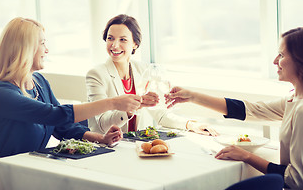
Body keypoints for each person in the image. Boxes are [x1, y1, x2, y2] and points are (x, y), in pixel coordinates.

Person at [165, 27, 303, 190]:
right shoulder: (301, 101)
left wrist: (246, 156)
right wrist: (192, 96)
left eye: (281, 55)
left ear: (301, 61)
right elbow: (249, 110)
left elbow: (296, 180)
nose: (275, 61)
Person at [0, 17, 142, 179]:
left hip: (29, 168)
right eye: (42, 43)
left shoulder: (39, 82)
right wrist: (113, 102)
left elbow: (62, 125)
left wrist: (101, 138)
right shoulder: (0, 93)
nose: (47, 50)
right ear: (24, 49)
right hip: (1, 174)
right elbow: (55, 114)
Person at [86, 14, 218, 136]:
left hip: (138, 146)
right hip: (107, 149)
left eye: (123, 40)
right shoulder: (96, 75)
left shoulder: (143, 70)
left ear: (135, 44)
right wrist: (135, 106)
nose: (115, 45)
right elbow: (103, 124)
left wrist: (191, 124)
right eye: (110, 38)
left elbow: (160, 113)